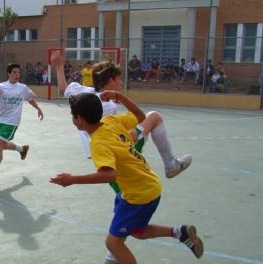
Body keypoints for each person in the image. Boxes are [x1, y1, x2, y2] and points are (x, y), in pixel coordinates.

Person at [50, 91, 204, 264]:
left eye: (73, 116)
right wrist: (120, 97)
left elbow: (108, 175)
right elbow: (140, 115)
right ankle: (179, 232)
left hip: (138, 195)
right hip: (145, 186)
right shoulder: (111, 121)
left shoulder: (98, 143)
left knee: (113, 243)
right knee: (138, 231)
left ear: (80, 119)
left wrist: (72, 180)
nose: (73, 119)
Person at [51, 50, 192, 179]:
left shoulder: (81, 92)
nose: (121, 82)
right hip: (110, 148)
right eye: (119, 79)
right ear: (111, 80)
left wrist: (59, 66)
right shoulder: (108, 106)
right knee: (154, 116)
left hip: (96, 147)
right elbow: (115, 133)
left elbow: (63, 88)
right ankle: (170, 165)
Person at [0, 63, 44, 186]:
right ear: (8, 73)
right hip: (2, 120)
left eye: (18, 72)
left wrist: (38, 109)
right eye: (14, 72)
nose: (17, 74)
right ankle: (22, 149)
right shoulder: (1, 87)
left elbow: (30, 99)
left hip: (12, 122)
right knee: (2, 146)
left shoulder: (22, 88)